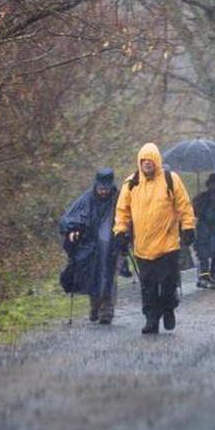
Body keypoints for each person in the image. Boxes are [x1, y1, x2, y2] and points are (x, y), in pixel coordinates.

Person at [114, 143, 196, 334]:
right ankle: (151, 319)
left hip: (168, 245)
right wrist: (120, 232)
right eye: (143, 161)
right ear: (139, 162)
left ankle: (168, 308)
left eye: (150, 160)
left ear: (157, 161)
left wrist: (188, 227)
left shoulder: (171, 179)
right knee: (148, 287)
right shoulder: (131, 183)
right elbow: (122, 212)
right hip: (142, 247)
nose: (147, 164)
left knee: (168, 284)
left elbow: (184, 205)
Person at [58, 168, 120, 324]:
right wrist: (72, 230)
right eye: (101, 188)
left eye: (106, 189)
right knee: (94, 275)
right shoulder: (87, 198)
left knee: (109, 276)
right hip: (91, 246)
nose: (104, 192)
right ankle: (95, 306)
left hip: (113, 245)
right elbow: (70, 217)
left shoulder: (119, 199)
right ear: (96, 186)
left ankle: (106, 310)